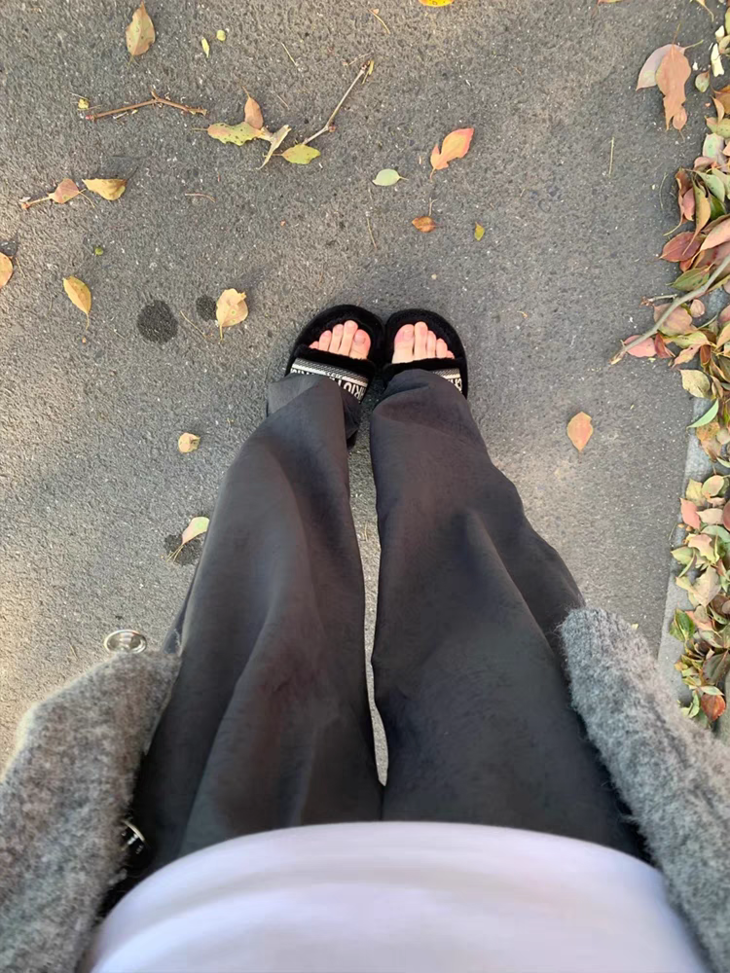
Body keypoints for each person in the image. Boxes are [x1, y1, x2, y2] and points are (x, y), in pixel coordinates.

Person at [0, 307, 727, 973]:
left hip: (198, 902)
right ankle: (425, 418)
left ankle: (312, 419)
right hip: (578, 889)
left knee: (269, 589)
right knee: (483, 591)